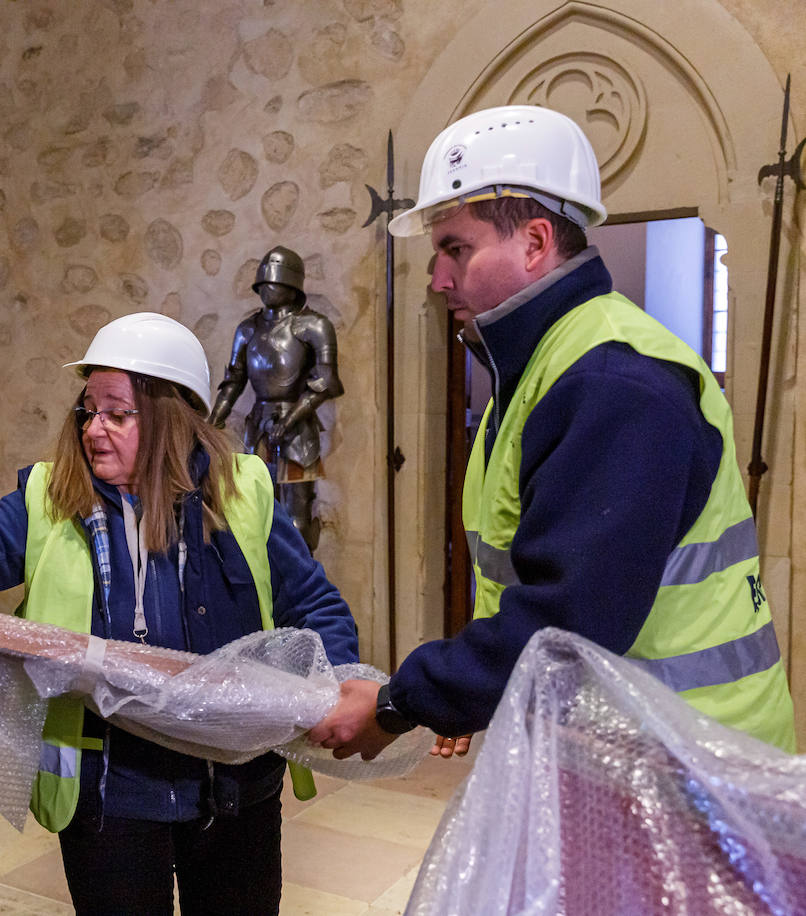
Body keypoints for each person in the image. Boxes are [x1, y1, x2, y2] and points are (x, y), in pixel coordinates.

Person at [308, 105, 796, 763]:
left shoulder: (613, 380)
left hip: (689, 763)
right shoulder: (544, 366)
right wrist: (474, 692)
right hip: (629, 747)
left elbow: (565, 619)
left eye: (457, 249)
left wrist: (403, 701)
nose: (437, 278)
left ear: (535, 242)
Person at [0, 311, 358, 915]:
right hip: (112, 793)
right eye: (89, 410)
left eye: (117, 413)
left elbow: (314, 603)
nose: (94, 429)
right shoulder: (52, 498)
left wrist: (340, 680)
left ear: (174, 418)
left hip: (232, 788)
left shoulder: (242, 494)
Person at [209, 246, 344, 551]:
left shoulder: (314, 326)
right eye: (265, 283)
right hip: (256, 427)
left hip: (299, 428)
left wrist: (291, 419)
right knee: (253, 511)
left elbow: (326, 382)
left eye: (275, 282)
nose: (268, 288)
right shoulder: (248, 329)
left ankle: (300, 586)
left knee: (298, 515)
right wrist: (211, 421)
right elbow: (234, 380)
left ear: (291, 284)